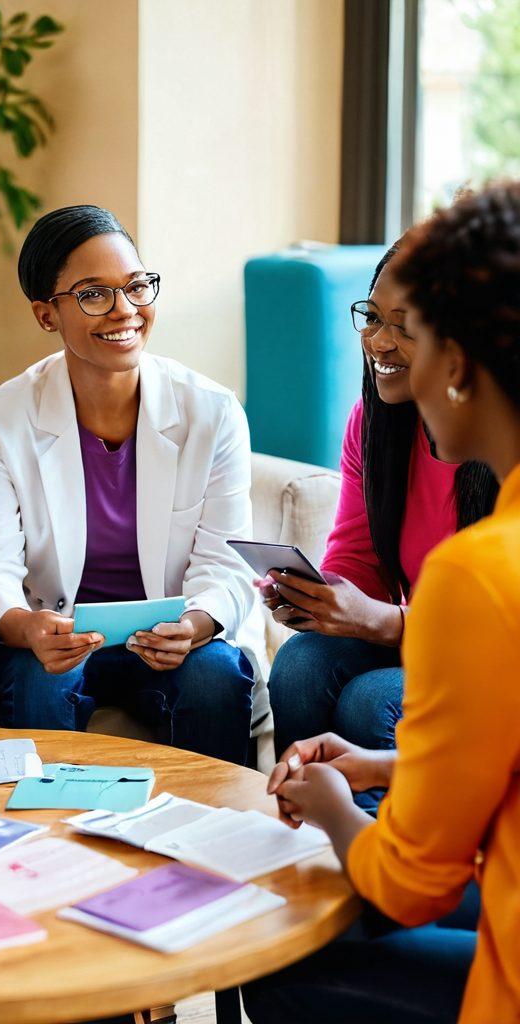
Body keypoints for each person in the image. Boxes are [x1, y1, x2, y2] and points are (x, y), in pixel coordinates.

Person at [244, 182, 520, 1023]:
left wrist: (333, 809)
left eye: (414, 332)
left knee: (283, 956)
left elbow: (409, 889)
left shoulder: (484, 572)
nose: (387, 348)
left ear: (458, 362)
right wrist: (380, 770)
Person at [0, 205, 266, 765]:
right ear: (47, 314)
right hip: (53, 639)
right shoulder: (3, 416)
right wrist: (28, 627)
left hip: (172, 640)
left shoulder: (212, 412)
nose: (125, 310)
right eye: (94, 294)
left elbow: (227, 563)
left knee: (213, 678)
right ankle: (50, 840)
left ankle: (214, 838)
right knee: (37, 684)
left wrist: (194, 626)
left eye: (137, 287)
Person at [260, 244, 497, 804]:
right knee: (300, 665)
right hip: (424, 639)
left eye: (405, 327)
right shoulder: (375, 422)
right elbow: (358, 553)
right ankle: (305, 839)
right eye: (371, 317)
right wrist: (320, 597)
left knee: (374, 701)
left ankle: (388, 864)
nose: (378, 342)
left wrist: (388, 623)